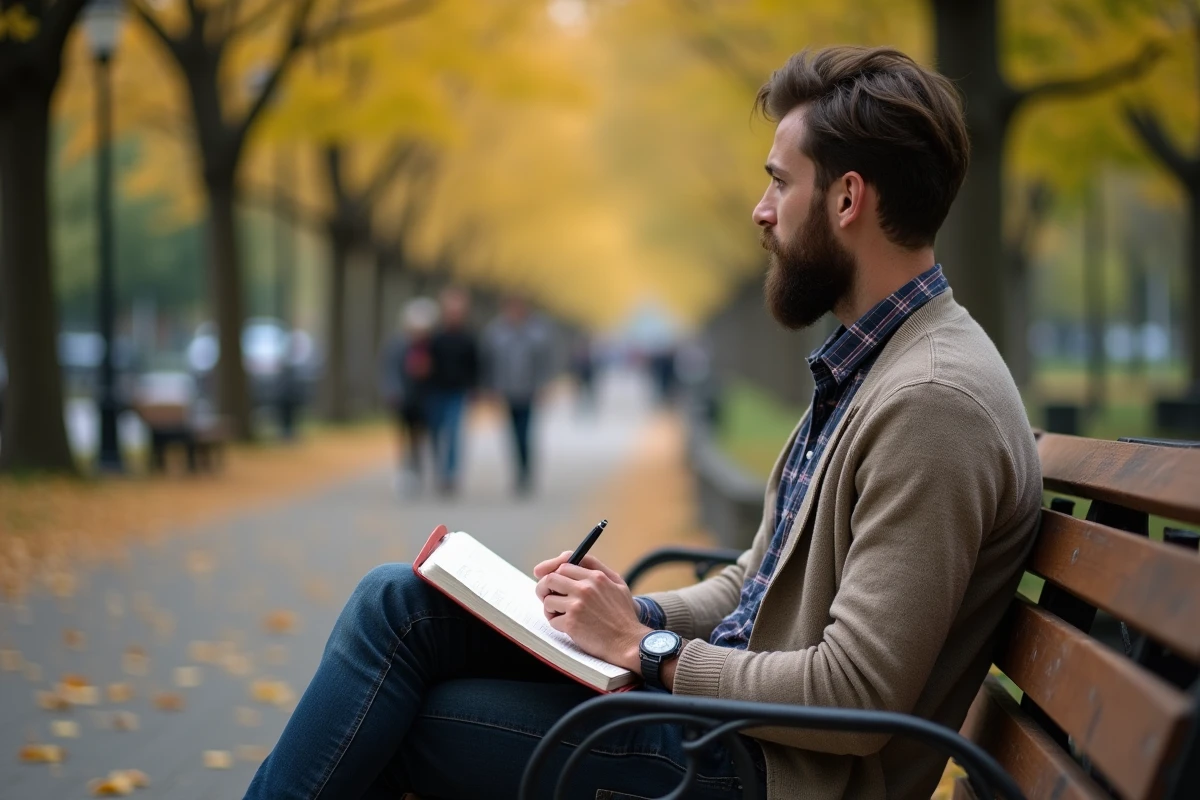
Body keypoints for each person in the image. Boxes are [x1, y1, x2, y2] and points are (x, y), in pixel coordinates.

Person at [245, 46, 1041, 800]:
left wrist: (646, 651)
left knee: (403, 720)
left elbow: (859, 692)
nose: (760, 213)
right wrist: (631, 613)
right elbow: (752, 584)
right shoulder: (875, 361)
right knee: (401, 604)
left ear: (845, 199)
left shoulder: (933, 401)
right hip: (724, 729)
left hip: (764, 773)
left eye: (778, 183)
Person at [481, 296, 554, 495]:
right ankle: (518, 471)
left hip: (529, 390)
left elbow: (544, 361)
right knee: (512, 434)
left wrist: (543, 385)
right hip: (506, 390)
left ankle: (525, 472)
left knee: (525, 433)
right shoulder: (495, 332)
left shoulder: (537, 332)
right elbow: (488, 362)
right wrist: (490, 388)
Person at [378, 298, 439, 494]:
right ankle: (405, 472)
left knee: (419, 438)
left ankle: (417, 470)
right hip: (403, 398)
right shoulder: (398, 345)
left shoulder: (430, 346)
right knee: (403, 436)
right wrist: (393, 391)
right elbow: (390, 370)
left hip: (424, 399)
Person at [426, 288, 480, 496]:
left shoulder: (468, 338)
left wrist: (474, 388)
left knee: (454, 431)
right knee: (436, 432)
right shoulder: (435, 337)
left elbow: (475, 366)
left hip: (457, 392)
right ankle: (439, 469)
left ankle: (449, 474)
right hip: (436, 391)